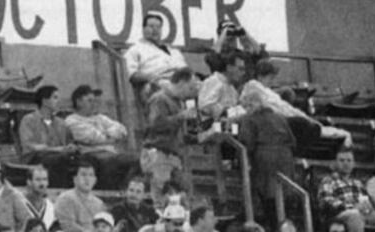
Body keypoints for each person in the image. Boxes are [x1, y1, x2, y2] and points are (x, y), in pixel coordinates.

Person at [237, 89, 296, 230]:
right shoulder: (280, 117)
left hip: (264, 158)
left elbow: (247, 143)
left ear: (251, 105)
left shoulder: (249, 119)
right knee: (284, 194)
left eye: (246, 106)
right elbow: (292, 141)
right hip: (285, 157)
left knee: (268, 195)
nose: (246, 110)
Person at [65, 84, 137, 190]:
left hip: (111, 152)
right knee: (111, 162)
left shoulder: (100, 117)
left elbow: (122, 130)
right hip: (89, 154)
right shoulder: (72, 120)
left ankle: (125, 190)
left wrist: (106, 136)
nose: (94, 104)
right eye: (90, 101)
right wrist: (111, 137)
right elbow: (93, 137)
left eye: (94, 101)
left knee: (136, 160)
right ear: (79, 102)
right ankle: (108, 192)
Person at [143, 68, 198, 204]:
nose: (191, 92)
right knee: (160, 195)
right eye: (190, 87)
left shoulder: (178, 102)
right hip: (159, 153)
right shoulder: (159, 99)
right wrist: (180, 116)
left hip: (173, 154)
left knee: (184, 191)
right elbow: (156, 124)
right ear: (181, 82)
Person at [317, 147, 375, 232]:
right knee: (354, 214)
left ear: (353, 163)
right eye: (342, 160)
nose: (346, 163)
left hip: (363, 214)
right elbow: (326, 201)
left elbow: (366, 201)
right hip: (339, 215)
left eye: (349, 160)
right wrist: (351, 207)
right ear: (335, 163)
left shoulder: (357, 183)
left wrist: (367, 206)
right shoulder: (328, 180)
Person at [19, 85, 77, 187]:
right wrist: (57, 149)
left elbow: (69, 142)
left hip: (60, 155)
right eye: (55, 97)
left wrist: (71, 146)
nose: (58, 101)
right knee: (58, 159)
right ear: (45, 101)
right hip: (35, 158)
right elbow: (30, 146)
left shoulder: (61, 123)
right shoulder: (29, 120)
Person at [124, 14, 188, 103]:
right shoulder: (135, 50)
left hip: (180, 81)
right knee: (170, 87)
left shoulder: (174, 51)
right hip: (155, 85)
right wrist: (151, 77)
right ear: (143, 29)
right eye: (151, 26)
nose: (155, 30)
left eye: (158, 27)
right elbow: (131, 74)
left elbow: (186, 70)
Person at [55, 158, 108, 232]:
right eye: (83, 174)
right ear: (75, 179)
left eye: (91, 175)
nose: (87, 179)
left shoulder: (99, 204)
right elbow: (67, 225)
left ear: (95, 180)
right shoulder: (66, 198)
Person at [198, 51, 246, 119]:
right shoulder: (214, 81)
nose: (243, 73)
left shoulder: (233, 90)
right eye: (240, 69)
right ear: (229, 68)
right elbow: (204, 107)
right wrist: (226, 111)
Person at [24, 166, 58, 231]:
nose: (42, 183)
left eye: (44, 179)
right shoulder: (19, 204)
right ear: (29, 182)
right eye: (38, 180)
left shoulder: (50, 207)